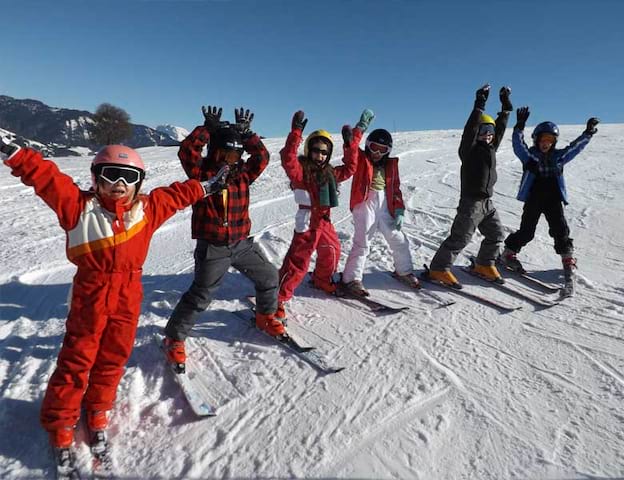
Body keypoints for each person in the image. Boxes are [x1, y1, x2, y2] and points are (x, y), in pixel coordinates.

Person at [0, 139, 223, 454]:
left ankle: (98, 406)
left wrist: (205, 187)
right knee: (78, 358)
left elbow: (176, 196)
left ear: (139, 183)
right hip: (90, 294)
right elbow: (47, 178)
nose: (119, 184)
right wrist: (16, 154)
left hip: (128, 295)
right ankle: (61, 419)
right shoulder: (78, 208)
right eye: (110, 175)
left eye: (128, 177)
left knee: (115, 355)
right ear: (95, 178)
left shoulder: (146, 210)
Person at [163, 106, 281, 369]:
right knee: (201, 295)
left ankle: (265, 316)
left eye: (235, 154)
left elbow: (261, 157)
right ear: (215, 152)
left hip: (241, 244)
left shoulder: (242, 175)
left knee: (270, 277)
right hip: (213, 248)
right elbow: (187, 151)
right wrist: (207, 129)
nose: (230, 160)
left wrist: (247, 134)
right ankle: (174, 338)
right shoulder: (202, 174)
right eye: (225, 153)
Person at [500, 107, 599, 292]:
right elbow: (518, 145)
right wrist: (519, 127)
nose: (546, 143)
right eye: (543, 139)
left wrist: (588, 133)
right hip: (534, 198)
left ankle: (567, 258)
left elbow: (575, 148)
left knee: (560, 229)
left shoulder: (559, 157)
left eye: (550, 140)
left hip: (553, 199)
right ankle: (507, 254)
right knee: (527, 231)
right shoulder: (529, 156)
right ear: (537, 140)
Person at [276, 110, 361, 318]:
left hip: (324, 222)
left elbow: (351, 168)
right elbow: (288, 160)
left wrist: (351, 143)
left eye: (324, 152)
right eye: (316, 150)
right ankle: (277, 298)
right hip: (307, 223)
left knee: (332, 250)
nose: (320, 155)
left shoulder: (330, 173)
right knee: (298, 262)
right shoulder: (301, 172)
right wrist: (296, 132)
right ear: (308, 150)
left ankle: (322, 279)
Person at [428, 84, 512, 288]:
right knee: (460, 238)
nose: (488, 134)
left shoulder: (490, 148)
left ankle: (484, 264)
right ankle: (439, 268)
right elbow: (470, 131)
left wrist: (505, 109)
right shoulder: (469, 150)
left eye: (490, 131)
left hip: (487, 203)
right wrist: (479, 105)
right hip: (471, 203)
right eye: (483, 131)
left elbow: (499, 131)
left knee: (496, 235)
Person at [340, 113, 419, 296]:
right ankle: (352, 279)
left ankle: (404, 271)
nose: (376, 153)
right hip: (365, 203)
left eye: (382, 150)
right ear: (367, 146)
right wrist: (360, 127)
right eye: (374, 148)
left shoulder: (390, 165)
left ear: (388, 151)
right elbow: (351, 149)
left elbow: (396, 189)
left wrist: (399, 209)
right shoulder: (361, 159)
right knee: (362, 243)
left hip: (385, 204)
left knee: (398, 239)